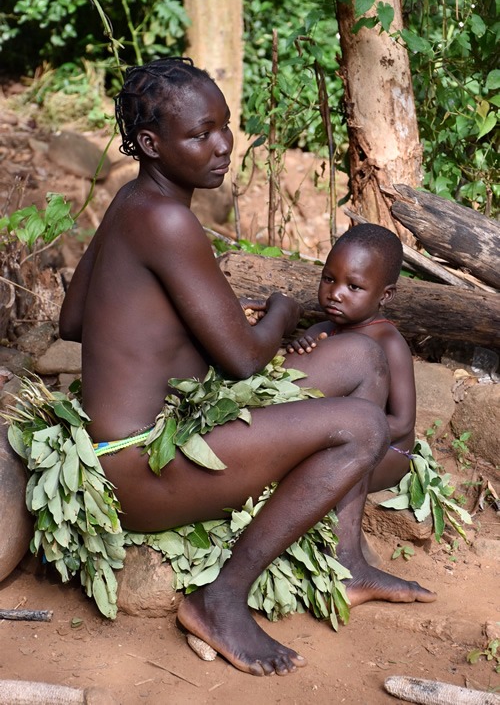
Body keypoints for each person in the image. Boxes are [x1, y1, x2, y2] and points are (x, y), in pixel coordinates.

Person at [59, 57, 435, 678]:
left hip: (171, 429)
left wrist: (180, 317)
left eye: (224, 126)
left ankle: (347, 562)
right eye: (200, 134)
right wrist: (281, 312)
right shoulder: (168, 220)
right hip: (141, 469)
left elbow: (73, 320)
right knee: (365, 429)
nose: (223, 145)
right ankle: (220, 597)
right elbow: (240, 360)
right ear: (152, 144)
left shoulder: (132, 200)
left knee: (364, 356)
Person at [287, 223, 415, 494]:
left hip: (385, 450)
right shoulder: (321, 330)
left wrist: (341, 432)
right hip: (334, 436)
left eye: (354, 286)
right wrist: (300, 349)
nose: (335, 293)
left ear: (385, 295)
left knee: (319, 474)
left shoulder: (388, 341)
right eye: (329, 279)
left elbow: (403, 422)